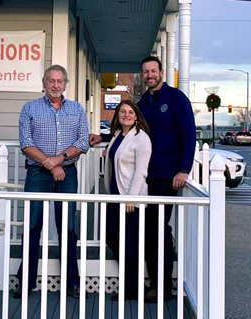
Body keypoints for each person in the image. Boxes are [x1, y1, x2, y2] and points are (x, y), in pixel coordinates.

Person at [13, 65, 90, 299]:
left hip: (67, 175)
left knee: (68, 229)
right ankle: (25, 282)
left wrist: (59, 160)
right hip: (38, 174)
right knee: (33, 226)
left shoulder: (77, 109)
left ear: (65, 84)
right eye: (51, 81)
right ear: (44, 84)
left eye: (59, 81)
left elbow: (83, 141)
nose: (55, 85)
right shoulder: (30, 108)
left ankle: (72, 282)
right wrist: (50, 164)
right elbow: (25, 142)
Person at [136, 56, 196, 302]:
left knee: (159, 229)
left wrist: (184, 169)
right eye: (145, 72)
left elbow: (189, 135)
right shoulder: (142, 102)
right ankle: (155, 282)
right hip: (145, 177)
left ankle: (163, 287)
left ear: (161, 72)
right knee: (149, 229)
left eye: (153, 70)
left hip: (167, 177)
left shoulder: (176, 99)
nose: (149, 75)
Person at [102, 99, 151, 300]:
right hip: (115, 195)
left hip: (131, 199)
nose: (126, 115)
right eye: (122, 112)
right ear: (118, 115)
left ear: (137, 116)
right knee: (112, 235)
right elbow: (115, 155)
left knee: (131, 244)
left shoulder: (142, 139)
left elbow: (141, 171)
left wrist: (131, 198)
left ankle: (133, 287)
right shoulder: (117, 136)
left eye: (130, 112)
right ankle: (132, 282)